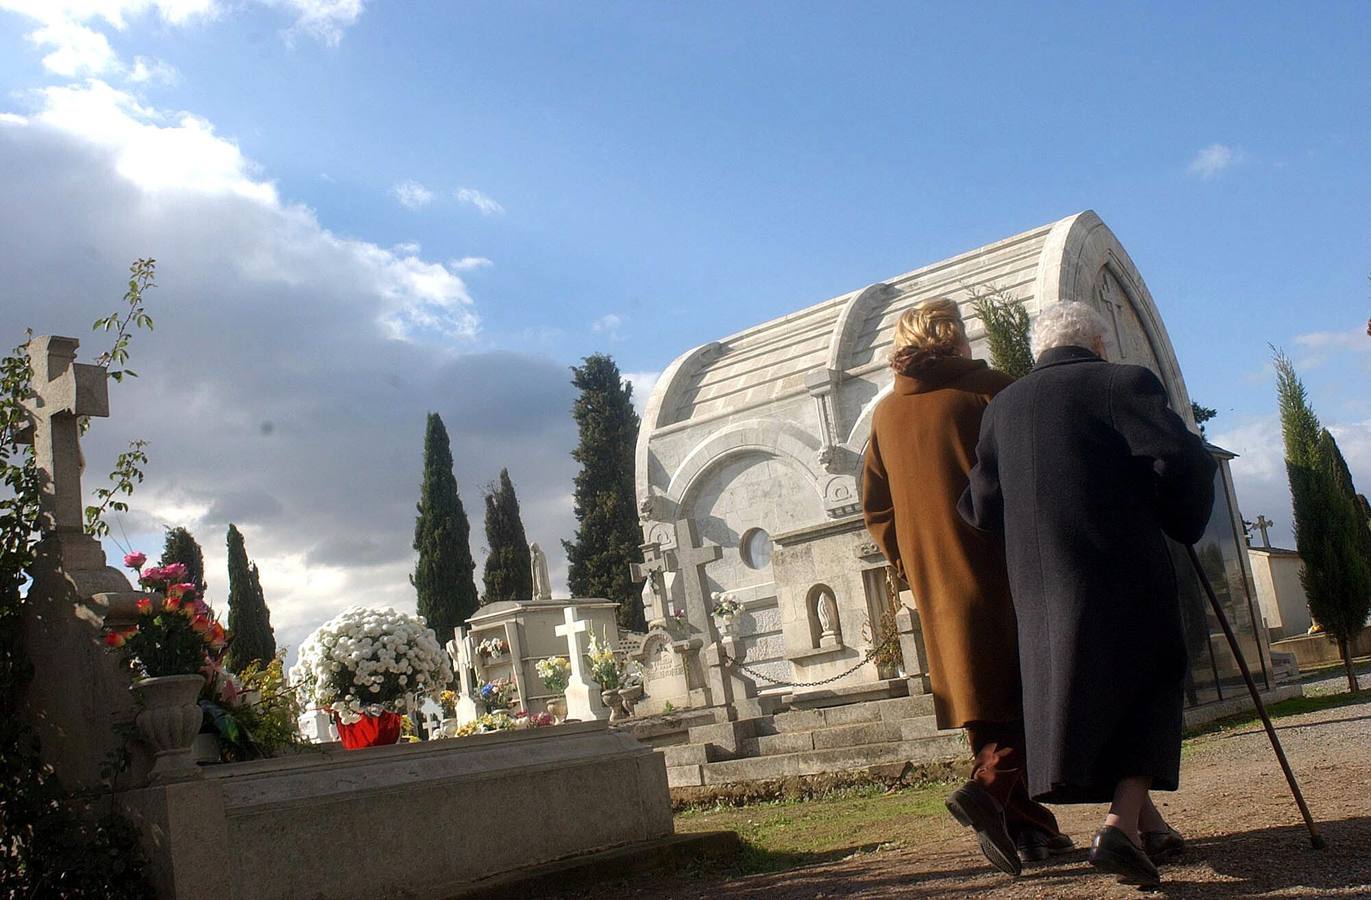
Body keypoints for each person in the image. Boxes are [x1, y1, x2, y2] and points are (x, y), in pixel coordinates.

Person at [958, 301, 1216, 889]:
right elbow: (1181, 460)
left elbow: (977, 506)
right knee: (1149, 684)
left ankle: (1154, 830)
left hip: (1040, 588)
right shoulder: (1122, 382)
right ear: (1099, 345)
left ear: (1038, 348)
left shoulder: (1004, 407)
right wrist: (1175, 513)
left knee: (1094, 697)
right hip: (1120, 569)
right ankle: (1120, 828)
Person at [862, 298, 1070, 878]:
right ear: (956, 340)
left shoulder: (885, 415)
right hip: (1008, 566)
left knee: (983, 703)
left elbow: (875, 506)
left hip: (936, 580)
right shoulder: (994, 392)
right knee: (1034, 693)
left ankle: (1030, 832)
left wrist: (908, 562)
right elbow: (1033, 474)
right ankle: (985, 793)